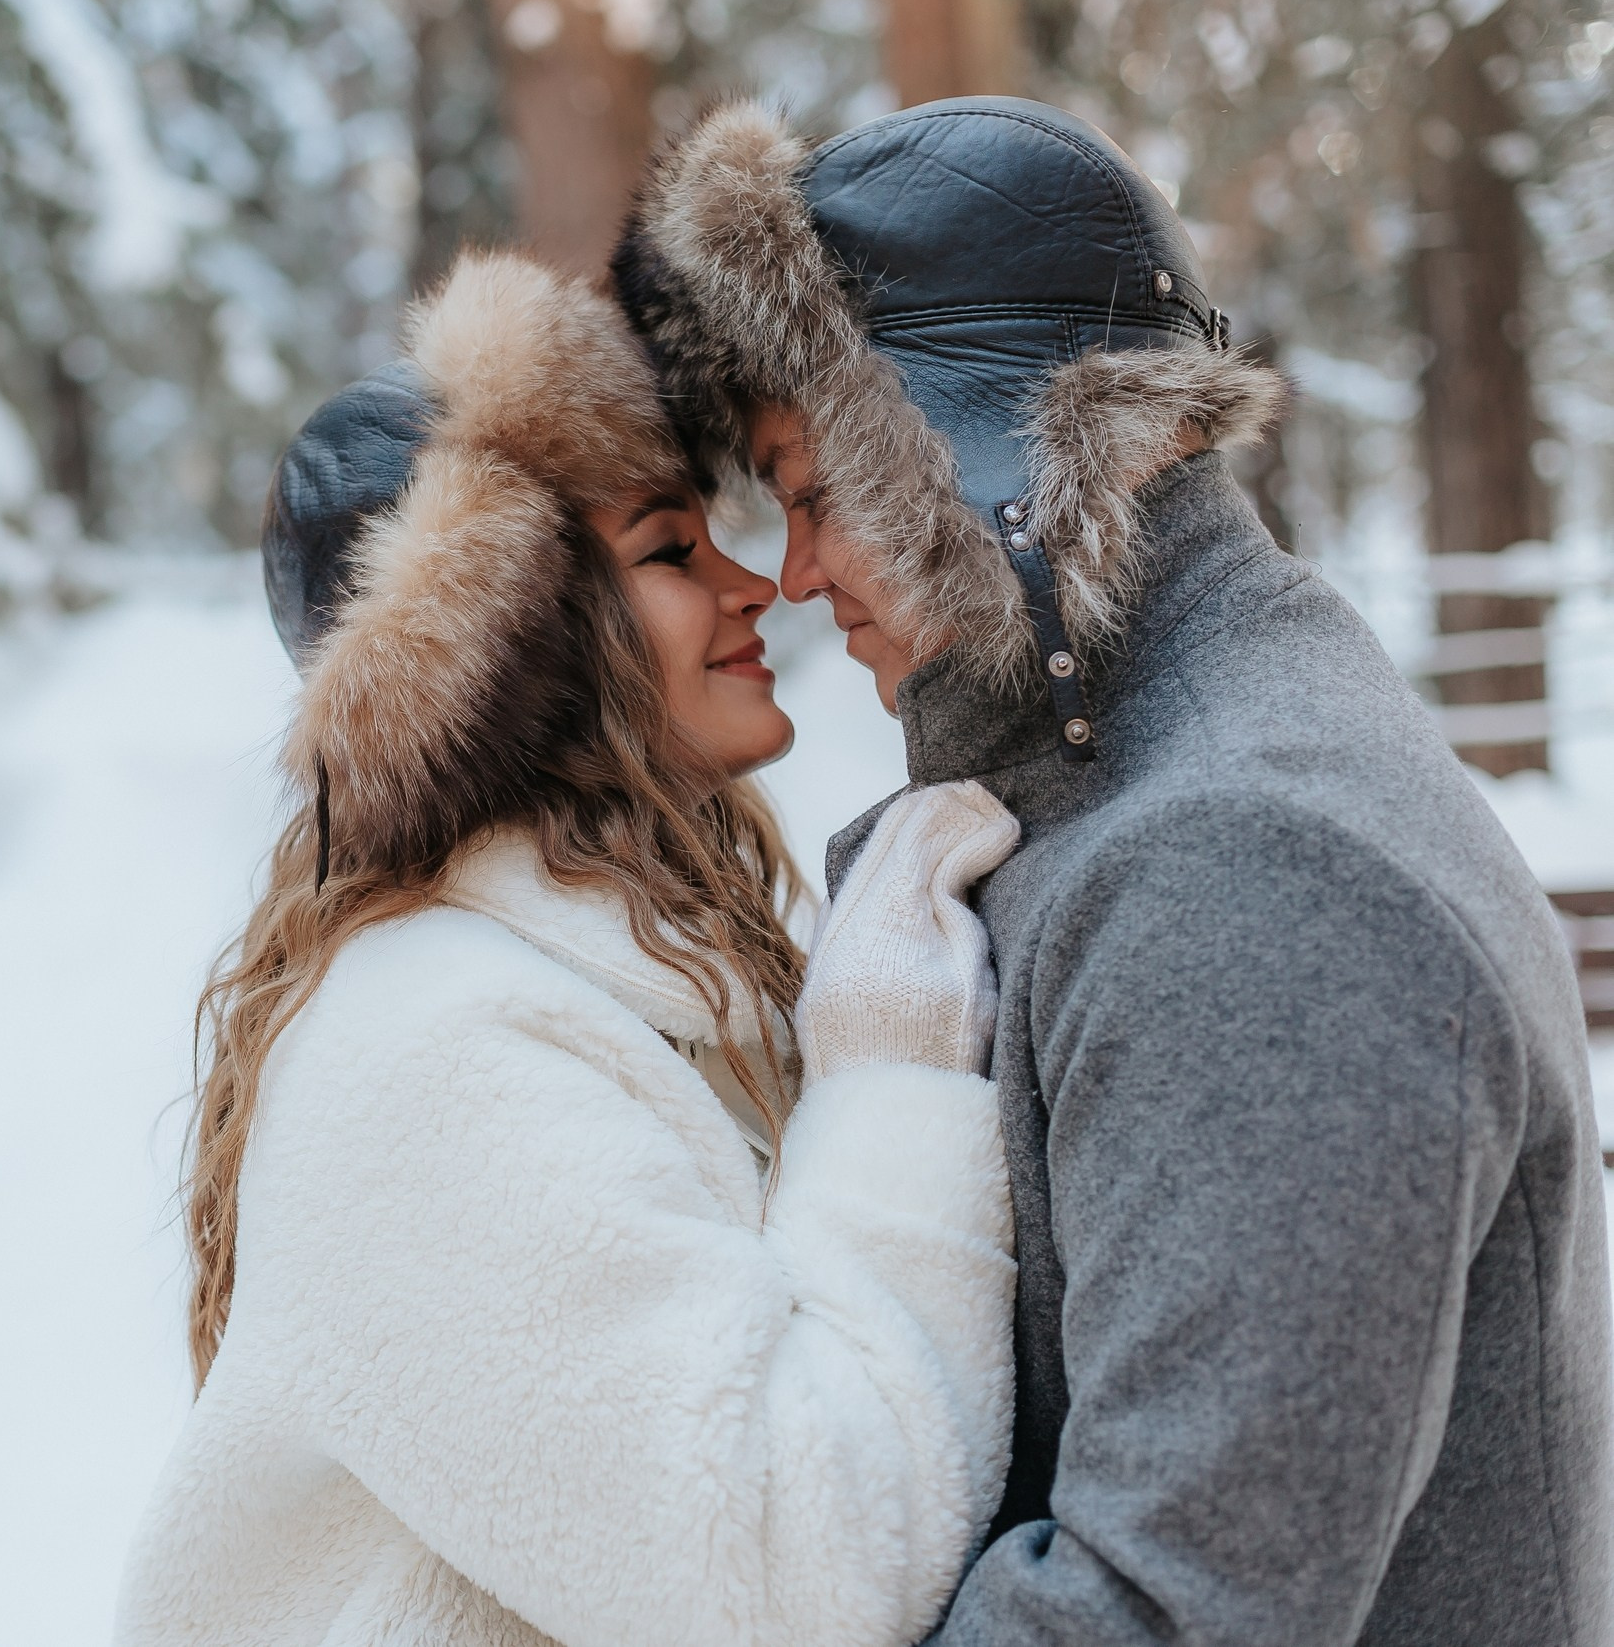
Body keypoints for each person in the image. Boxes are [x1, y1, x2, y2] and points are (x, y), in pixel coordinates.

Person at [613, 96, 1613, 1646]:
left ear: (999, 452)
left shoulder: (1246, 874)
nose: (799, 574)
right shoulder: (1159, 775)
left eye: (819, 489)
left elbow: (1163, 1609)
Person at [116, 250, 1024, 1647]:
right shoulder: (429, 1060)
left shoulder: (615, 984)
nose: (752, 585)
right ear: (517, 643)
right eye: (669, 550)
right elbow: (789, 1573)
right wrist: (892, 1080)